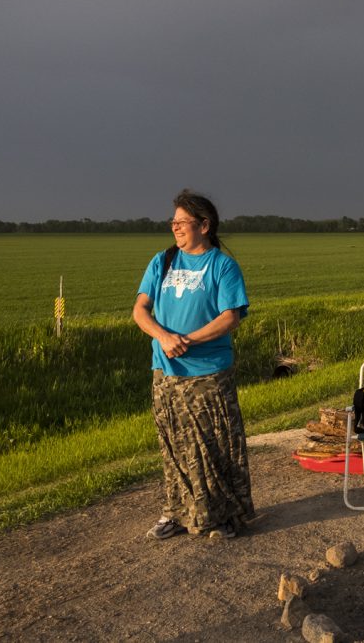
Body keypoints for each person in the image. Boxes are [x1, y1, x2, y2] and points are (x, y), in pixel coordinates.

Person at [132, 189, 255, 540]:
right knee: (173, 444)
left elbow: (231, 317)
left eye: (182, 222)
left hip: (208, 372)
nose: (175, 228)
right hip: (165, 370)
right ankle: (177, 513)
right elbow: (140, 310)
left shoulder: (222, 265)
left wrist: (189, 340)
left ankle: (225, 516)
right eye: (173, 222)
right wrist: (164, 337)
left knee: (214, 445)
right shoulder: (162, 261)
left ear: (204, 225)